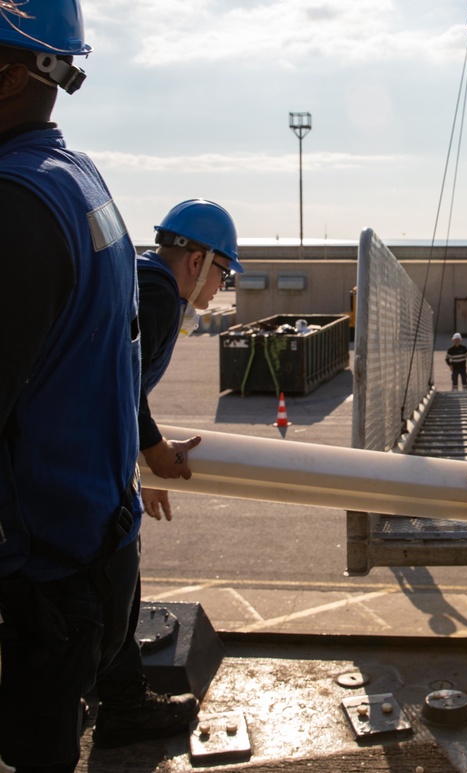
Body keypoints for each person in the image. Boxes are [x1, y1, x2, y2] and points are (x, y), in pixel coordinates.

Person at [0, 2, 142, 768]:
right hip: (94, 555)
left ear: (11, 75)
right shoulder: (74, 180)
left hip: (38, 585)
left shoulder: (13, 207)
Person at [91, 200, 244, 749]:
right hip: (86, 469)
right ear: (197, 260)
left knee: (106, 584)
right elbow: (116, 384)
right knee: (108, 582)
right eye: (222, 272)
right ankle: (121, 713)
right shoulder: (156, 293)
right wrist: (153, 454)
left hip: (99, 458)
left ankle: (114, 702)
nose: (220, 286)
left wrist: (141, 456)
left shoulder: (140, 283)